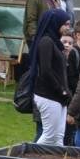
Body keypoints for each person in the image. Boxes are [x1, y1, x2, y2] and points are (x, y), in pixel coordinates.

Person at [29, 8, 71, 145]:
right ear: (56, 23)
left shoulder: (56, 43)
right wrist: (61, 90)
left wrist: (64, 92)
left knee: (58, 136)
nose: (68, 28)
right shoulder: (46, 42)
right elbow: (46, 70)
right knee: (49, 135)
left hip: (59, 97)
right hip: (48, 95)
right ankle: (30, 156)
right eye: (65, 24)